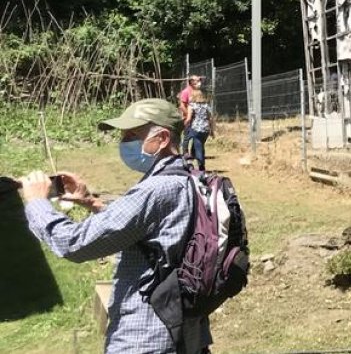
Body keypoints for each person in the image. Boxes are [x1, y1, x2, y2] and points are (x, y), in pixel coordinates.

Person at [18, 98, 212, 353]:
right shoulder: (190, 177)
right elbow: (150, 232)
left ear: (162, 138)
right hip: (185, 333)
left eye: (132, 135)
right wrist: (92, 202)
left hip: (145, 339)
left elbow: (75, 243)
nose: (124, 144)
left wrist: (36, 203)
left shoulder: (156, 189)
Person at [183, 84, 215, 170]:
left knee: (197, 146)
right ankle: (192, 158)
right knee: (200, 145)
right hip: (205, 129)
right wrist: (212, 131)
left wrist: (184, 124)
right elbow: (210, 119)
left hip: (196, 128)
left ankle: (201, 165)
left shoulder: (192, 105)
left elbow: (189, 118)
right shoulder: (206, 105)